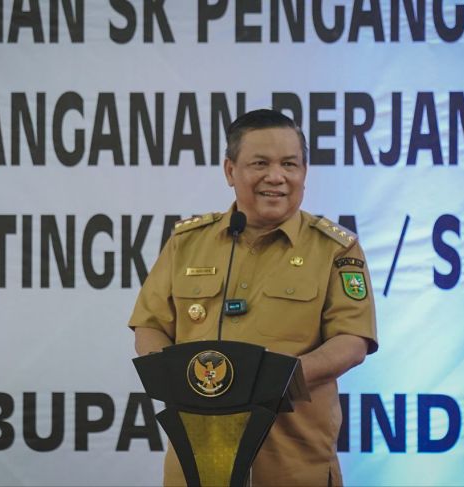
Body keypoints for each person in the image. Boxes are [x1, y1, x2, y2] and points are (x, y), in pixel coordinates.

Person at [129, 109, 378, 486]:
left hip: (294, 464)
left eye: (289, 164)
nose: (275, 177)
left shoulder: (334, 249)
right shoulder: (188, 242)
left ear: (305, 172)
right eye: (260, 163)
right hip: (197, 461)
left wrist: (274, 381)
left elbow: (352, 341)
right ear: (230, 171)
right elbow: (150, 326)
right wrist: (185, 379)